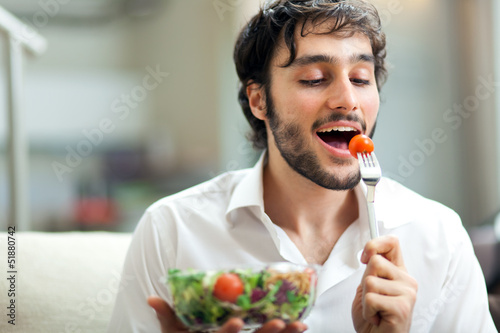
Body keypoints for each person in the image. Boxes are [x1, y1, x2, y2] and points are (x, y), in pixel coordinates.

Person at [108, 0, 497, 332]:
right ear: (259, 101)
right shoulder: (172, 230)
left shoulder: (438, 236)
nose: (348, 99)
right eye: (314, 78)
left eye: (361, 78)